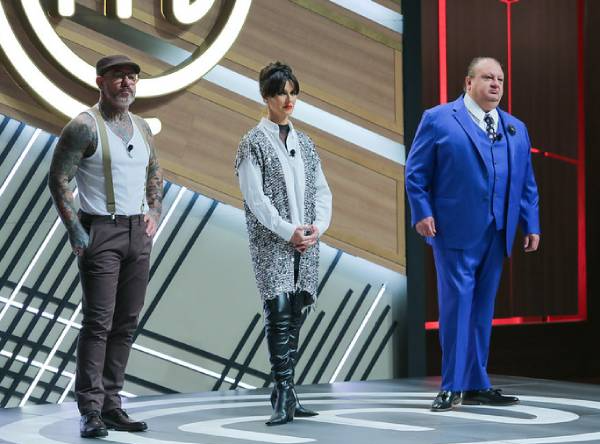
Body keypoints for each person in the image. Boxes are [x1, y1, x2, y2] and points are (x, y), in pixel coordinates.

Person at [405, 57, 540, 412]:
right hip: (453, 230)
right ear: (468, 83)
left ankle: (476, 383)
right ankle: (452, 385)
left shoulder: (515, 127)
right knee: (456, 308)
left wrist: (531, 223)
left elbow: (526, 182)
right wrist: (422, 213)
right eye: (487, 77)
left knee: (482, 310)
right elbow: (415, 174)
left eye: (500, 79)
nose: (496, 84)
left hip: (498, 232)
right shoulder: (438, 119)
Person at [48, 55, 163, 438]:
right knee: (98, 323)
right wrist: (75, 229)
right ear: (101, 82)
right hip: (101, 231)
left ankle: (113, 405)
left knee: (126, 323)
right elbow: (59, 178)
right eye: (118, 77)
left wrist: (155, 212)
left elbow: (154, 172)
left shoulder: (143, 126)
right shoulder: (84, 126)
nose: (127, 83)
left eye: (132, 78)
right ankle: (90, 411)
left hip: (136, 235)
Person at [235, 62, 332, 426]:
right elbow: (255, 199)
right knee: (277, 313)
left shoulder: (305, 142)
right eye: (281, 93)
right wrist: (286, 230)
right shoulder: (252, 142)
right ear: (266, 96)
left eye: (293, 92)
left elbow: (322, 190)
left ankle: (286, 393)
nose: (288, 99)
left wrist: (316, 228)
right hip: (272, 243)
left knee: (295, 313)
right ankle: (284, 392)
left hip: (305, 242)